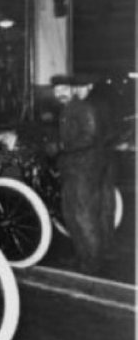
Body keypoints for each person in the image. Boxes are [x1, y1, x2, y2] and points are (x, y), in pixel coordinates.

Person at [49, 74, 115, 274]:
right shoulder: (68, 109)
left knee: (83, 216)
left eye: (64, 90)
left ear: (73, 90)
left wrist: (61, 146)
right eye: (56, 91)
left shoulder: (82, 108)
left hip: (83, 169)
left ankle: (92, 263)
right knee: (72, 216)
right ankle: (83, 255)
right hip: (75, 168)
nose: (60, 94)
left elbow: (89, 136)